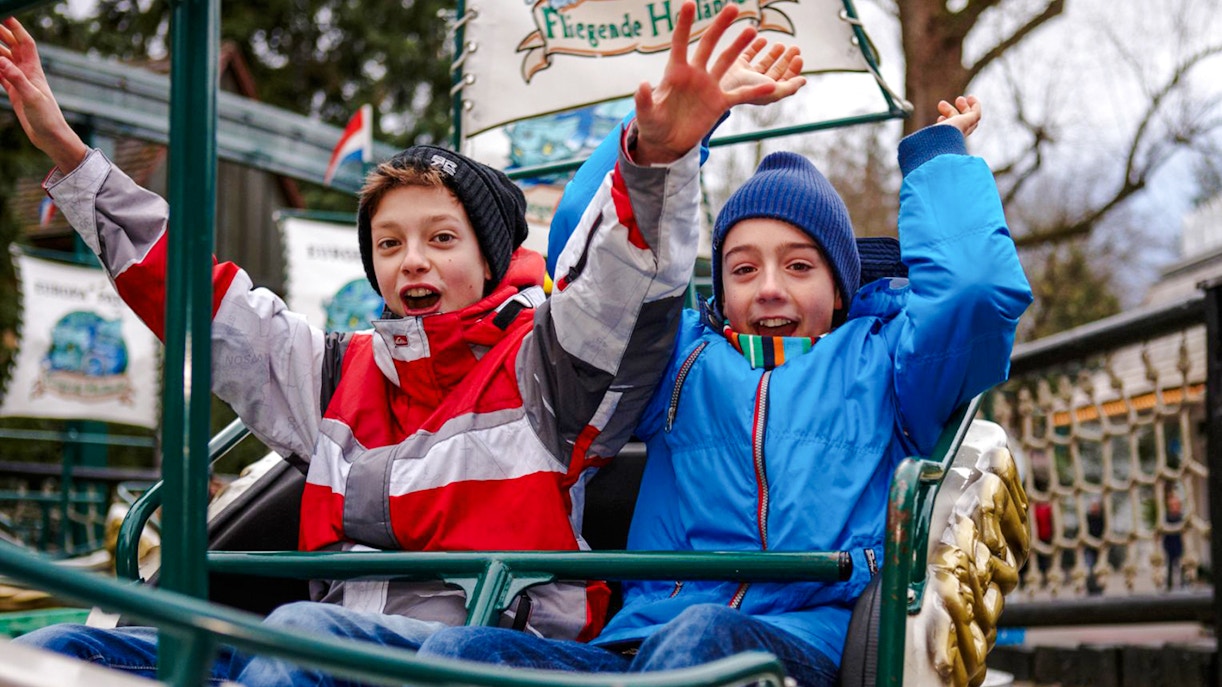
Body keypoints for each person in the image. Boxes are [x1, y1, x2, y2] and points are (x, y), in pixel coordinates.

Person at [0, 6, 802, 685]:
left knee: (301, 636)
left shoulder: (543, 366)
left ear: (488, 259)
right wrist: (73, 160)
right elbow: (202, 304)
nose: (410, 260)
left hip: (489, 653)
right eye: (389, 243)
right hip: (329, 647)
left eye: (439, 237)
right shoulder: (337, 372)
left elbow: (622, 292)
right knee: (66, 650)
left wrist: (656, 160)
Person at [416, 73, 1032, 687]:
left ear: (840, 287)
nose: (769, 287)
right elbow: (593, 255)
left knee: (703, 638)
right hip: (643, 639)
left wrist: (937, 160)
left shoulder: (889, 364)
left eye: (798, 266)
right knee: (461, 651)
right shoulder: (678, 356)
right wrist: (670, 142)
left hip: (802, 639)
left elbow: (975, 293)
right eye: (743, 268)